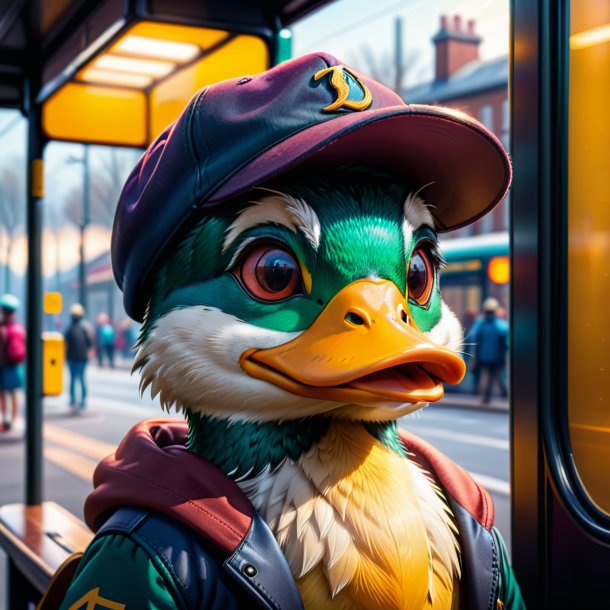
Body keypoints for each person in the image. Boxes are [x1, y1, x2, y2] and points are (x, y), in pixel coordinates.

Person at [470, 297, 509, 403]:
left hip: (482, 355)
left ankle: (490, 394)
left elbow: (472, 336)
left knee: (489, 375)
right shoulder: (500, 324)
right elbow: (507, 339)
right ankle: (501, 393)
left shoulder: (480, 323)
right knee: (496, 374)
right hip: (497, 356)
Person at [0, 294, 25, 431]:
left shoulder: (3, 328)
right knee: (13, 392)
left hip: (4, 364)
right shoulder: (18, 328)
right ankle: (14, 418)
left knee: (3, 393)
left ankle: (6, 420)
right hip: (15, 364)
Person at [64, 303, 93, 411]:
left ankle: (73, 400)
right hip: (82, 358)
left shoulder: (69, 329)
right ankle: (82, 401)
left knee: (73, 379)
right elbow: (90, 343)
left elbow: (64, 341)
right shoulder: (84, 329)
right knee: (81, 379)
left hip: (72, 358)